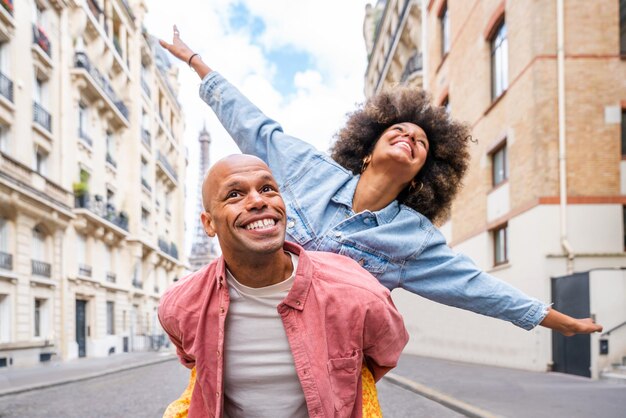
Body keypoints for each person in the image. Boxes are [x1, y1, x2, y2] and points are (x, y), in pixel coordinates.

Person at [159, 26, 603, 416]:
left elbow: (477, 289)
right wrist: (197, 63)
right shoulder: (307, 170)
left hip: (329, 371)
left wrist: (558, 321)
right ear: (368, 148)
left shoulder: (412, 239)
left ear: (420, 178)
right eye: (400, 130)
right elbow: (254, 126)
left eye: (422, 142)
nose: (409, 137)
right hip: (250, 345)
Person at [159, 154, 408, 417]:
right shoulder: (180, 305)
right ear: (209, 224)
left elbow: (385, 351)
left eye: (267, 188)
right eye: (234, 194)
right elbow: (193, 361)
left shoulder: (356, 290)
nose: (258, 201)